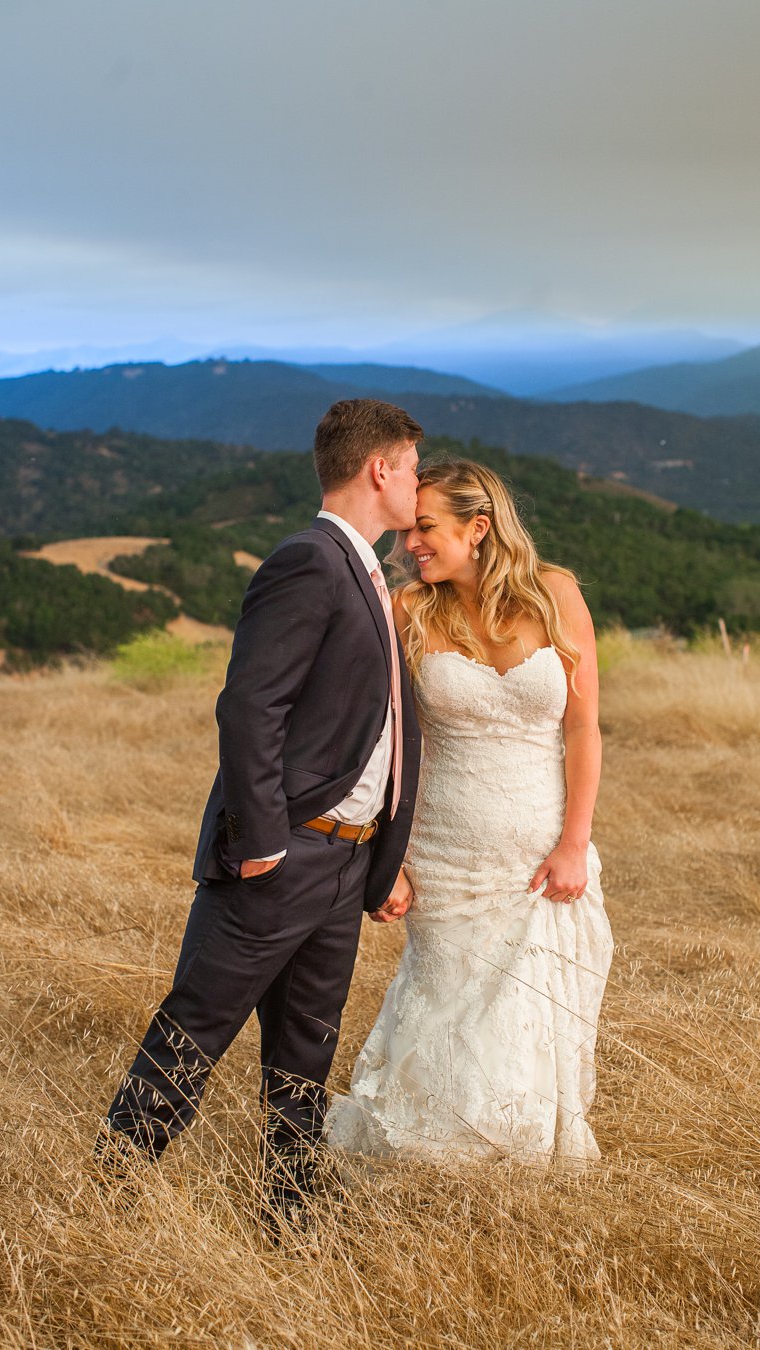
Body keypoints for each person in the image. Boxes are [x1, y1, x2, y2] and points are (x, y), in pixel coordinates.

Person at [96, 398, 423, 1223]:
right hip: (287, 856)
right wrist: (264, 843)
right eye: (413, 467)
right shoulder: (309, 560)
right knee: (196, 1027)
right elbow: (249, 708)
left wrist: (378, 854)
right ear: (379, 469)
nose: (419, 484)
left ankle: (290, 1210)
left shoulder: (370, 571)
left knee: (306, 1050)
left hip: (345, 861)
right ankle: (104, 1198)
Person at [324, 459, 614, 1164]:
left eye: (425, 529)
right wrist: (386, 861)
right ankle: (427, 1170)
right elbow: (374, 743)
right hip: (442, 860)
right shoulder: (406, 612)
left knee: (529, 1025)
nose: (409, 545)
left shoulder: (556, 595)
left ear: (478, 528)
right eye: (407, 531)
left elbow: (582, 727)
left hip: (543, 857)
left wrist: (575, 843)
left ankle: (516, 1169)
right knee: (448, 1024)